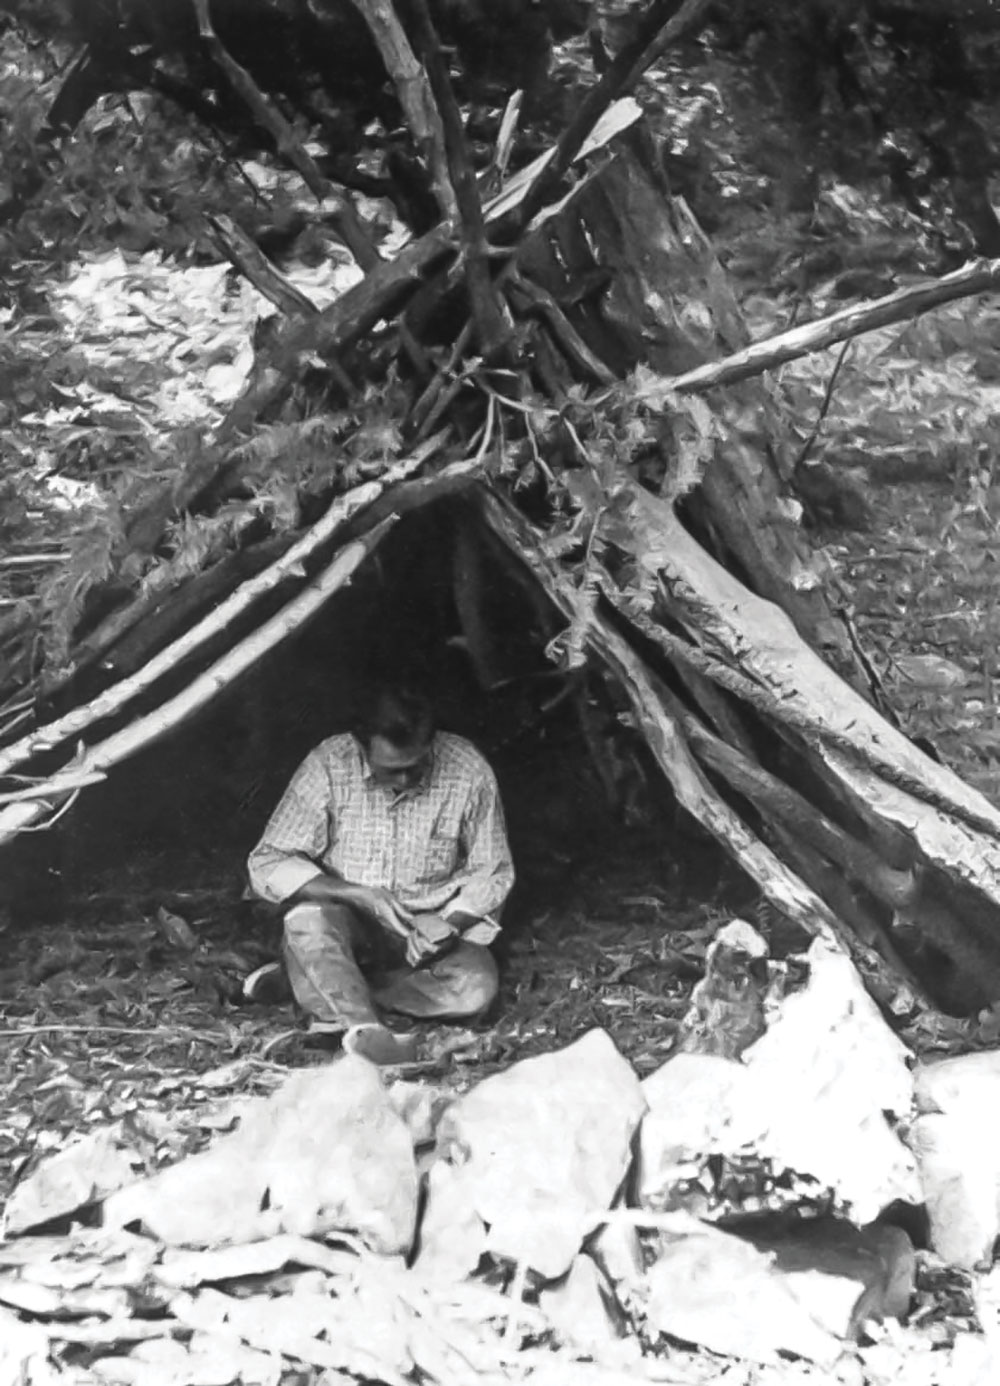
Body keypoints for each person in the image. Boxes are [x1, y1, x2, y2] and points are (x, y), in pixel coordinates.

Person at [245, 680, 515, 1064]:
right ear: (361, 746)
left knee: (476, 989)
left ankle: (317, 981)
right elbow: (268, 861)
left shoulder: (467, 769)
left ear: (431, 742)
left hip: (424, 937)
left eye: (416, 766)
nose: (406, 781)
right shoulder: (328, 765)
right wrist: (356, 894)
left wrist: (449, 923)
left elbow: (493, 870)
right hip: (347, 922)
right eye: (392, 770)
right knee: (307, 921)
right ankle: (367, 1029)